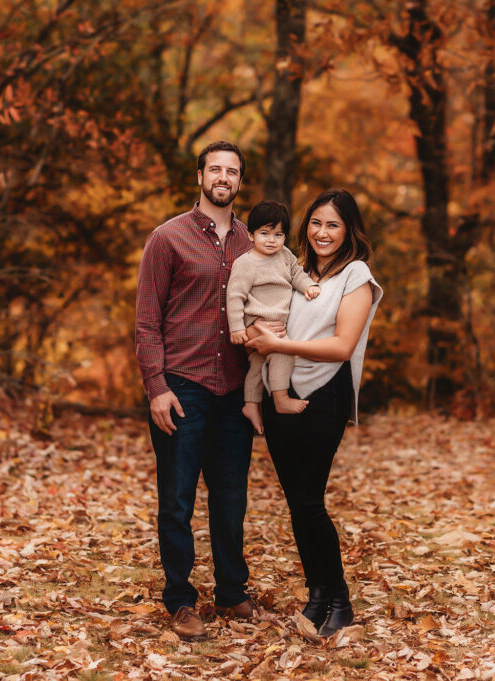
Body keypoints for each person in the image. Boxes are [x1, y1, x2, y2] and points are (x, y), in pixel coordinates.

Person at [135, 141, 278, 640]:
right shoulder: (167, 239)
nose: (223, 177)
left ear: (241, 181)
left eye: (232, 170)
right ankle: (179, 600)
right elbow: (147, 322)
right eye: (214, 169)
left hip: (236, 392)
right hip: (183, 388)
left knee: (231, 498)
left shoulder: (255, 243)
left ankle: (232, 592)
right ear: (200, 176)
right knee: (176, 498)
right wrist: (156, 386)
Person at [245, 188, 383, 637]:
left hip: (322, 396)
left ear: (349, 231)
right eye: (317, 223)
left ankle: (339, 600)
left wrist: (278, 344)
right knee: (297, 503)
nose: (323, 232)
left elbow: (342, 346)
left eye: (334, 224)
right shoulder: (293, 268)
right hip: (277, 391)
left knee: (309, 500)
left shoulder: (355, 275)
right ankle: (317, 595)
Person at [227, 200, 321, 435]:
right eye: (265, 233)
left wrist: (308, 286)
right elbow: (235, 297)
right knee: (283, 352)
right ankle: (281, 399)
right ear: (250, 235)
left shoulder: (285, 256)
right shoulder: (245, 263)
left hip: (277, 322)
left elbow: (297, 274)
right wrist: (237, 328)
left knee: (257, 366)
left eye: (278, 234)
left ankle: (250, 404)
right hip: (257, 321)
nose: (271, 240)